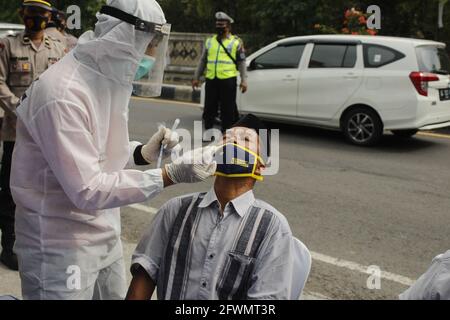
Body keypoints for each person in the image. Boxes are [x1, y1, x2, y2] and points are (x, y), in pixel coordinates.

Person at [10, 0, 217, 300]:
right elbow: (88, 188)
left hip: (104, 232)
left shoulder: (107, 78)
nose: (152, 55)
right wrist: (169, 174)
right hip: (59, 244)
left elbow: (97, 153)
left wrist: (141, 153)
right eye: (149, 45)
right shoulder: (63, 94)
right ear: (123, 38)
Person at [126, 114, 296, 300]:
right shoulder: (174, 210)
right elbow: (144, 278)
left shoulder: (273, 227)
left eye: (245, 139)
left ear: (260, 166)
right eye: (226, 138)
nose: (232, 142)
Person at [0, 0, 66, 271]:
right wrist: (20, 108)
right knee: (11, 191)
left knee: (45, 189)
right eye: (31, 13)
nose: (35, 18)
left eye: (41, 14)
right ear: (22, 14)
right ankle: (9, 246)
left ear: (49, 17)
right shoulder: (8, 45)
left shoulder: (59, 48)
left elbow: (64, 85)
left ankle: (42, 243)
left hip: (48, 135)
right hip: (16, 132)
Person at [192, 12, 248, 133]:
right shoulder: (210, 41)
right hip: (211, 79)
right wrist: (196, 77)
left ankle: (226, 134)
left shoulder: (236, 42)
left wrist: (244, 80)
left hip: (228, 80)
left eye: (222, 24)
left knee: (227, 109)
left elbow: (242, 62)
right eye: (217, 24)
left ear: (228, 26)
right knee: (209, 108)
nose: (219, 27)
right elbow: (203, 60)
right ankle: (208, 133)